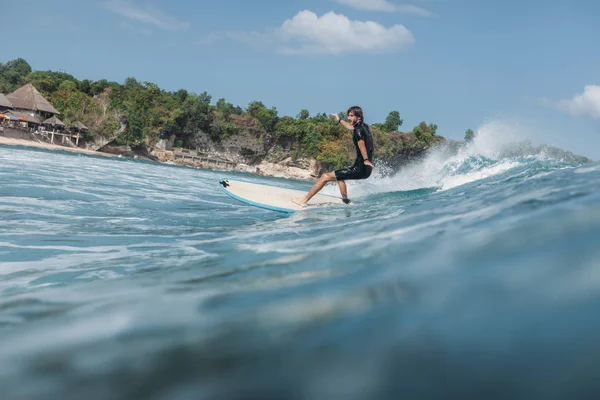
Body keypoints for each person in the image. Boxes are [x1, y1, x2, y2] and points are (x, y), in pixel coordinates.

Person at [292, 106, 374, 207]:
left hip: (360, 168)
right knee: (339, 176)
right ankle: (345, 200)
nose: (349, 118)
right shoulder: (364, 127)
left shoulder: (358, 131)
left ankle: (303, 200)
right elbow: (349, 126)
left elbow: (361, 144)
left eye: (351, 116)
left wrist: (365, 159)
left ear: (359, 117)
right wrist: (339, 120)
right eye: (348, 115)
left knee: (325, 177)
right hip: (366, 170)